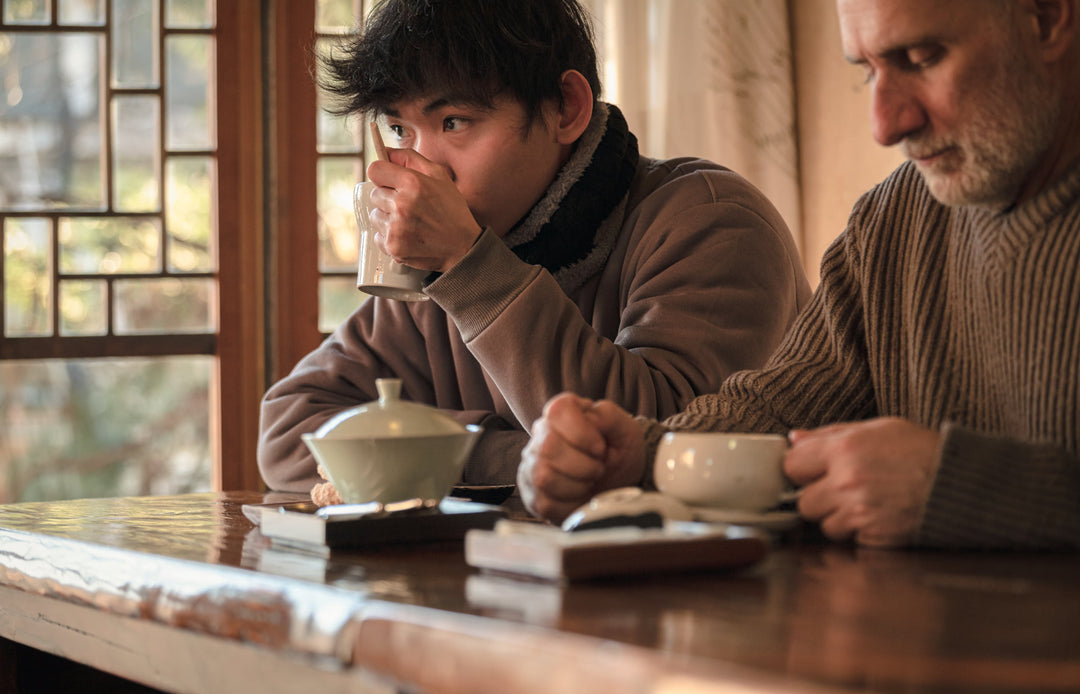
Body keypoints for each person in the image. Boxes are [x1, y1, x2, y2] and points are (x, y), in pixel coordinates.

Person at [519, 0, 1080, 549]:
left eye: (921, 57)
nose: (885, 126)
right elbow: (777, 415)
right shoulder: (890, 221)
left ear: (1048, 19)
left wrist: (972, 490)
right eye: (867, 71)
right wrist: (641, 455)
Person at [257, 0, 810, 493]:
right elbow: (289, 432)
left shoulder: (710, 221)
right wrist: (506, 455)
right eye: (400, 131)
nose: (422, 169)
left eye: (453, 121)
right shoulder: (447, 262)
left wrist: (468, 266)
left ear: (566, 108)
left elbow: (663, 450)